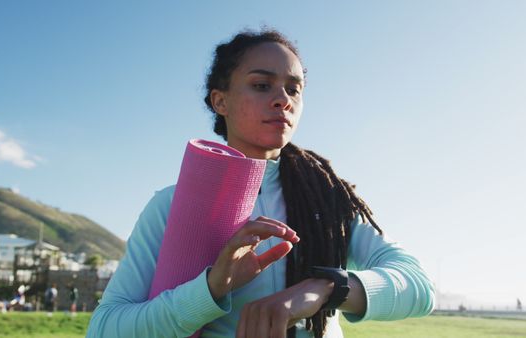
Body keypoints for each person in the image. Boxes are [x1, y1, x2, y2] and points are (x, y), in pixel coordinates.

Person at [87, 29, 434, 338]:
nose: (283, 99)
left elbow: (419, 287)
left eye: (293, 89)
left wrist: (323, 289)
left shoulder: (329, 202)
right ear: (220, 101)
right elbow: (105, 329)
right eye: (261, 85)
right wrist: (210, 289)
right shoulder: (170, 206)